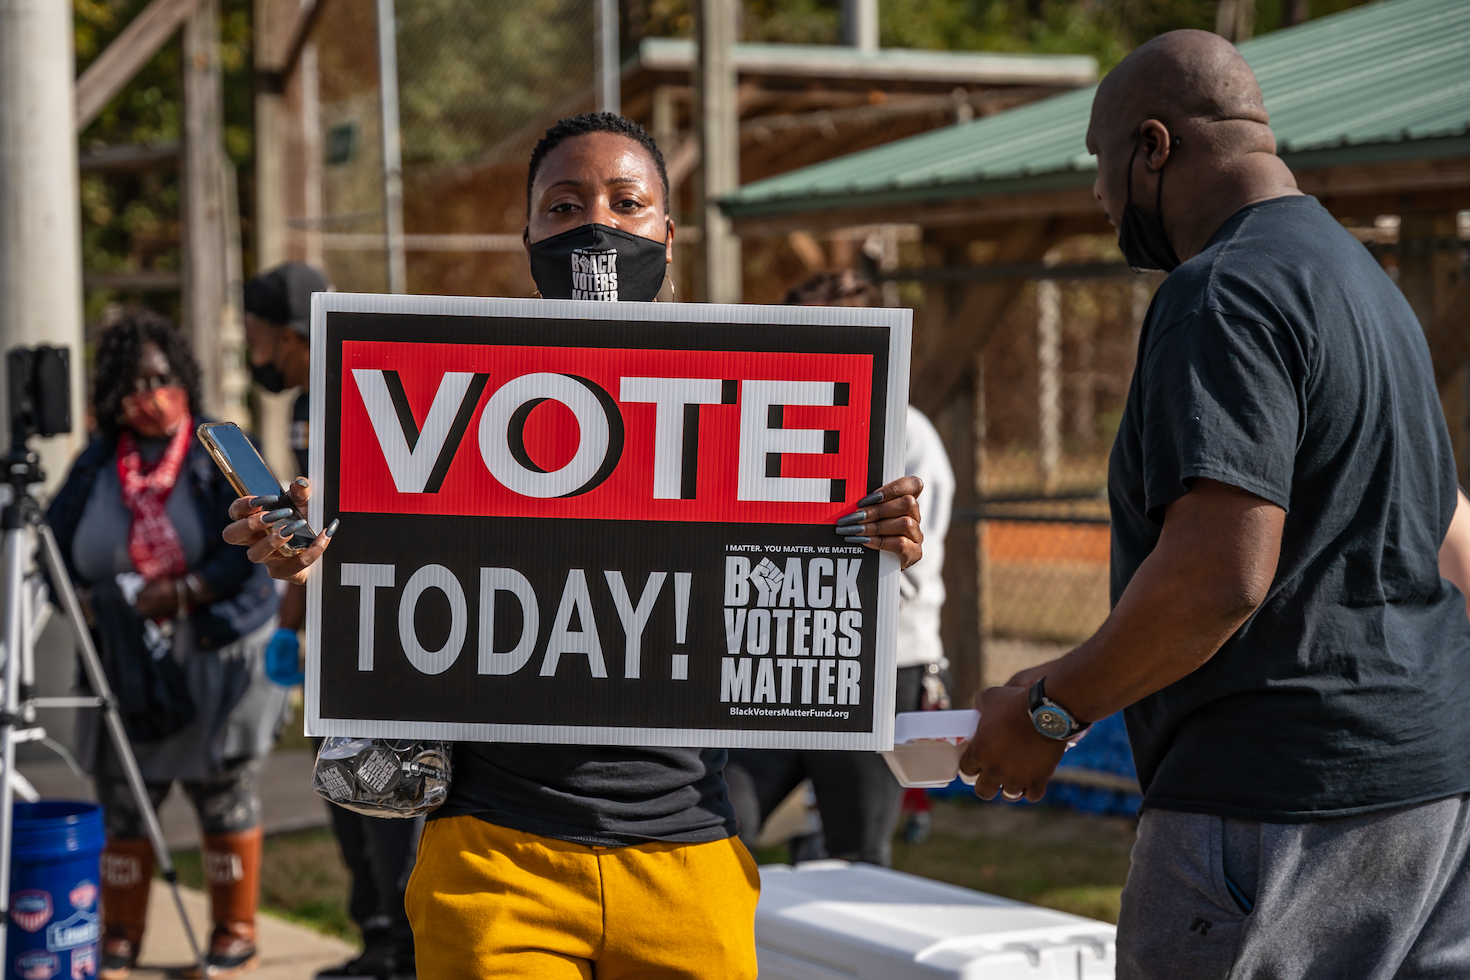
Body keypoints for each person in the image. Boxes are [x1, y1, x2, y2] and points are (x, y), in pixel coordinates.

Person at [221, 112, 926, 980]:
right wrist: (309, 550)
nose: (596, 225)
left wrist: (870, 537)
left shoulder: (753, 406)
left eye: (626, 203)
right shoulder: (440, 394)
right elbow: (380, 569)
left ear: (668, 234)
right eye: (562, 207)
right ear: (527, 236)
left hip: (689, 858)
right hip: (493, 860)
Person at [958, 30, 1470, 979]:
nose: (1101, 197)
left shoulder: (1220, 292)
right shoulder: (1366, 285)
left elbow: (1218, 576)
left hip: (1276, 806)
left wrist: (1046, 712)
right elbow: (1452, 529)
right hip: (1431, 793)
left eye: (1102, 165)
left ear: (1154, 147)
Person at [47, 309, 285, 979]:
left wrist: (181, 594)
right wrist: (91, 602)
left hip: (215, 656)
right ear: (111, 394)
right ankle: (119, 933)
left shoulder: (221, 448)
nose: (151, 393)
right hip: (126, 663)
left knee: (223, 791)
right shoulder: (97, 461)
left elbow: (266, 540)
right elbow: (54, 552)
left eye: (162, 376)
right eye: (134, 381)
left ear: (183, 375)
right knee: (124, 796)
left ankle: (234, 931)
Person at [726, 270, 955, 867]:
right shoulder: (755, 423)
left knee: (857, 855)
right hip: (768, 660)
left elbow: (906, 568)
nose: (822, 337)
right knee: (724, 829)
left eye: (844, 320)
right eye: (808, 321)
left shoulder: (906, 432)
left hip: (874, 665)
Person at [243, 263, 422, 980]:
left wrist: (292, 621)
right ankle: (379, 938)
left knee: (382, 791)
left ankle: (404, 950)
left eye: (257, 336)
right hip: (336, 629)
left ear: (289, 334)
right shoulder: (302, 407)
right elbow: (309, 531)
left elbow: (345, 521)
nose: (257, 354)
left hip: (384, 629)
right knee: (341, 785)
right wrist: (292, 622)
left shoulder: (353, 397)